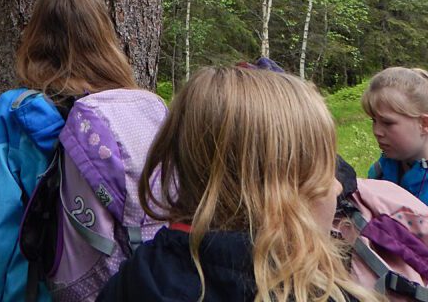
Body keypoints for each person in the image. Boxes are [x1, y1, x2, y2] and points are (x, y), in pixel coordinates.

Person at [96, 65, 377, 302]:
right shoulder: (316, 292)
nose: (338, 186)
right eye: (325, 170)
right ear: (280, 191)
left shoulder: (136, 279)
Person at [0, 0, 142, 302]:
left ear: (35, 37)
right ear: (104, 37)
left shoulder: (14, 113)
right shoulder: (131, 113)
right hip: (116, 288)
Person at [362, 66, 428, 204]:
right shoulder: (380, 171)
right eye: (374, 120)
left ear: (424, 124)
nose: (376, 131)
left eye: (387, 123)